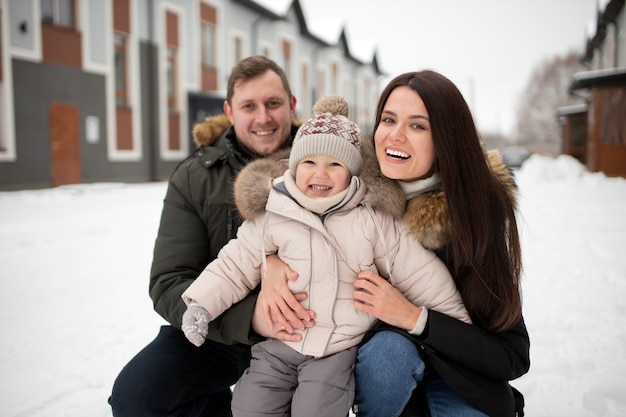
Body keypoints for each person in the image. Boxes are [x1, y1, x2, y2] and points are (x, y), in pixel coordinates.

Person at [180, 95, 471, 417]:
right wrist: (201, 305)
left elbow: (418, 271)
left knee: (317, 409)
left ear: (352, 173)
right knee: (250, 405)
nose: (321, 174)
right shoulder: (274, 212)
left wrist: (458, 325)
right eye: (309, 163)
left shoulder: (371, 220)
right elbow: (234, 264)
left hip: (337, 349)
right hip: (280, 343)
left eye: (335, 165)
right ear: (294, 166)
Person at [260, 70, 530, 417]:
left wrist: (415, 318)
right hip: (372, 375)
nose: (395, 136)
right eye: (389, 120)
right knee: (389, 354)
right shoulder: (341, 189)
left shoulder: (473, 215)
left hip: (458, 374)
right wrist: (269, 263)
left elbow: (511, 356)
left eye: (417, 126)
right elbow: (270, 224)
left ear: (446, 137)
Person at [108, 55, 311, 417]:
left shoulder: (327, 166)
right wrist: (250, 318)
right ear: (230, 111)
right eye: (249, 106)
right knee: (137, 395)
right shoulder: (195, 176)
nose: (263, 118)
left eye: (273, 103)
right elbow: (169, 281)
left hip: (308, 327)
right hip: (221, 329)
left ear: (292, 105)